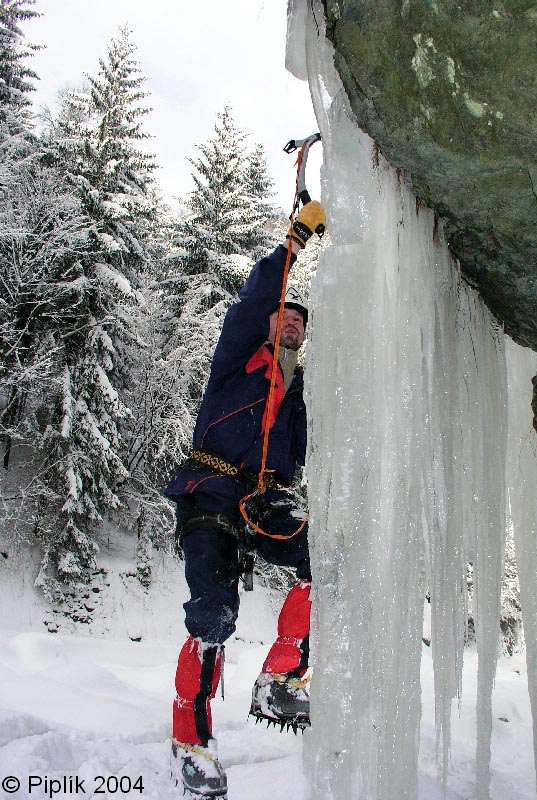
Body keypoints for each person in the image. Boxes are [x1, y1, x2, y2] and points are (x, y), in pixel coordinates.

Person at [165, 200, 326, 798]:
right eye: (286, 316)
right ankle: (191, 742)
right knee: (215, 613)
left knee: (322, 560)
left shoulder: (298, 392)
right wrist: (294, 243)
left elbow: (313, 446)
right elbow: (255, 299)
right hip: (210, 491)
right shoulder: (236, 361)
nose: (292, 324)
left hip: (261, 500)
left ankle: (280, 678)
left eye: (300, 323)